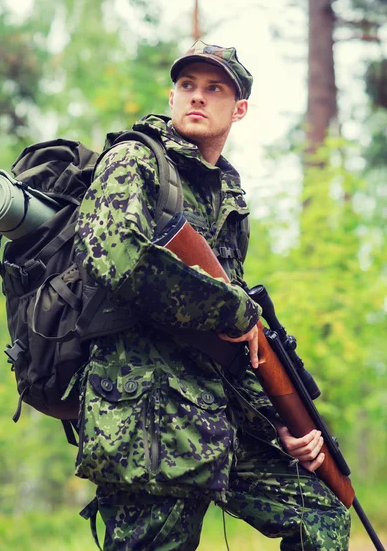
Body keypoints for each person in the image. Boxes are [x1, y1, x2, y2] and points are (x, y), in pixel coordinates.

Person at [74, 41, 351, 550]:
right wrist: (229, 304)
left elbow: (231, 345)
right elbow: (113, 254)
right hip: (147, 427)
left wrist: (277, 428)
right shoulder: (135, 159)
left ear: (238, 109)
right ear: (173, 95)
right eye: (187, 86)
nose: (197, 97)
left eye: (214, 88)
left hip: (215, 423)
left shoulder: (226, 194)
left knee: (323, 514)